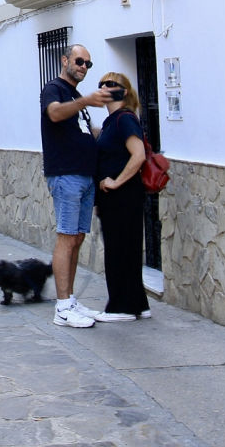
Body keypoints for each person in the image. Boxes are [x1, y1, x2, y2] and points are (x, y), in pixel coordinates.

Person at [40, 43, 112, 328]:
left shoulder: (77, 95)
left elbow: (85, 131)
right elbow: (55, 114)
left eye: (87, 64)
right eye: (79, 61)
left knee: (78, 237)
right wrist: (84, 102)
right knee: (67, 237)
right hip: (67, 175)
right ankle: (61, 307)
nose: (83, 67)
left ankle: (69, 300)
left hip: (84, 176)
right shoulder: (54, 89)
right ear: (65, 60)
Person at [91, 72, 151, 321]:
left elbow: (138, 155)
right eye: (101, 84)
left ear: (124, 92)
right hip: (116, 198)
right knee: (125, 248)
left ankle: (122, 308)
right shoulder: (111, 121)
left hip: (123, 197)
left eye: (111, 84)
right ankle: (138, 303)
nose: (105, 87)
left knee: (119, 250)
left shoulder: (124, 119)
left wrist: (116, 182)